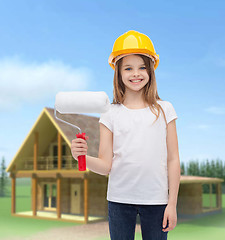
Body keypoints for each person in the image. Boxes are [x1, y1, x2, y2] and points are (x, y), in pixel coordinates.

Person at [71, 30, 180, 240]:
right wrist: (81, 157)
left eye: (142, 67)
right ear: (118, 73)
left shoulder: (165, 109)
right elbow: (105, 165)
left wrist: (172, 203)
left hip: (157, 201)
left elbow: (173, 159)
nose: (136, 73)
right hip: (119, 201)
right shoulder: (110, 113)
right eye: (128, 68)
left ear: (151, 71)